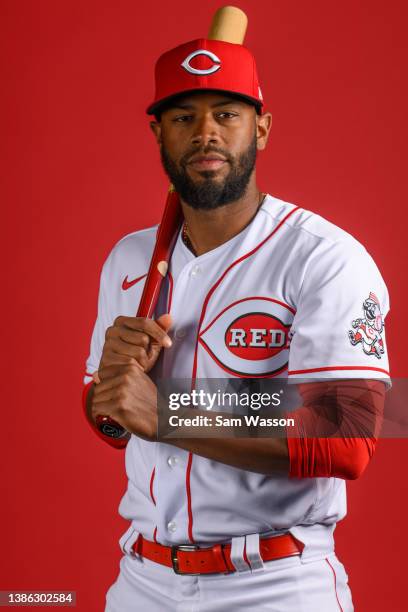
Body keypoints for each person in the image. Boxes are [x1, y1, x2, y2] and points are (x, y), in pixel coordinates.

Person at [83, 38, 390, 611]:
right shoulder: (129, 260)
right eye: (183, 117)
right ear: (158, 133)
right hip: (142, 580)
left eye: (227, 114)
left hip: (275, 583)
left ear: (262, 129)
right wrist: (111, 390)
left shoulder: (324, 258)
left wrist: (169, 411)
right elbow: (113, 423)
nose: (206, 133)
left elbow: (347, 437)